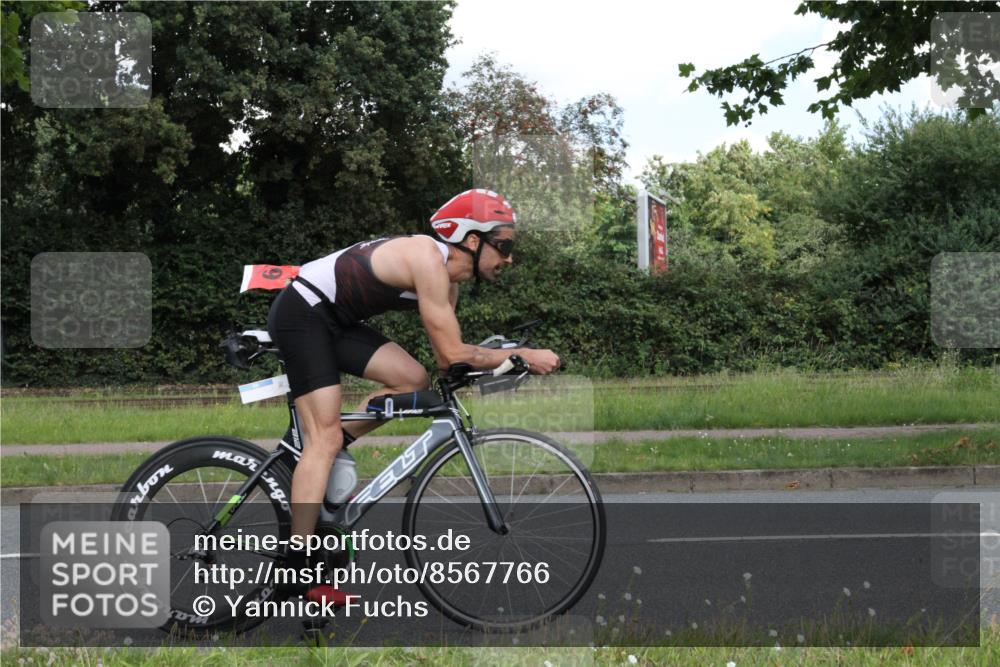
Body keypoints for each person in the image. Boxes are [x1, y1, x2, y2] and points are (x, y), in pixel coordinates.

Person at [266, 189, 561, 601]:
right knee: (324, 438)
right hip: (303, 313)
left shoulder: (449, 285)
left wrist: (503, 367)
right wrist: (520, 354)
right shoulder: (427, 260)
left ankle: (334, 444)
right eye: (504, 245)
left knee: (412, 380)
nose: (510, 258)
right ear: (472, 241)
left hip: (337, 320)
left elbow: (448, 364)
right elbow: (457, 353)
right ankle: (294, 567)